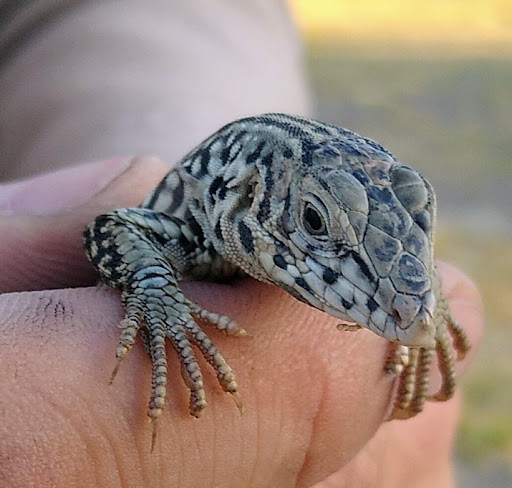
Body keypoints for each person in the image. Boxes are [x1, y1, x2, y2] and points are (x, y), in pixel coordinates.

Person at [0, 2, 483, 487]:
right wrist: (156, 292)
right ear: (251, 195)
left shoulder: (260, 208)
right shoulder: (188, 229)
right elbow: (112, 230)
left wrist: (429, 302)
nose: (417, 311)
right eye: (314, 221)